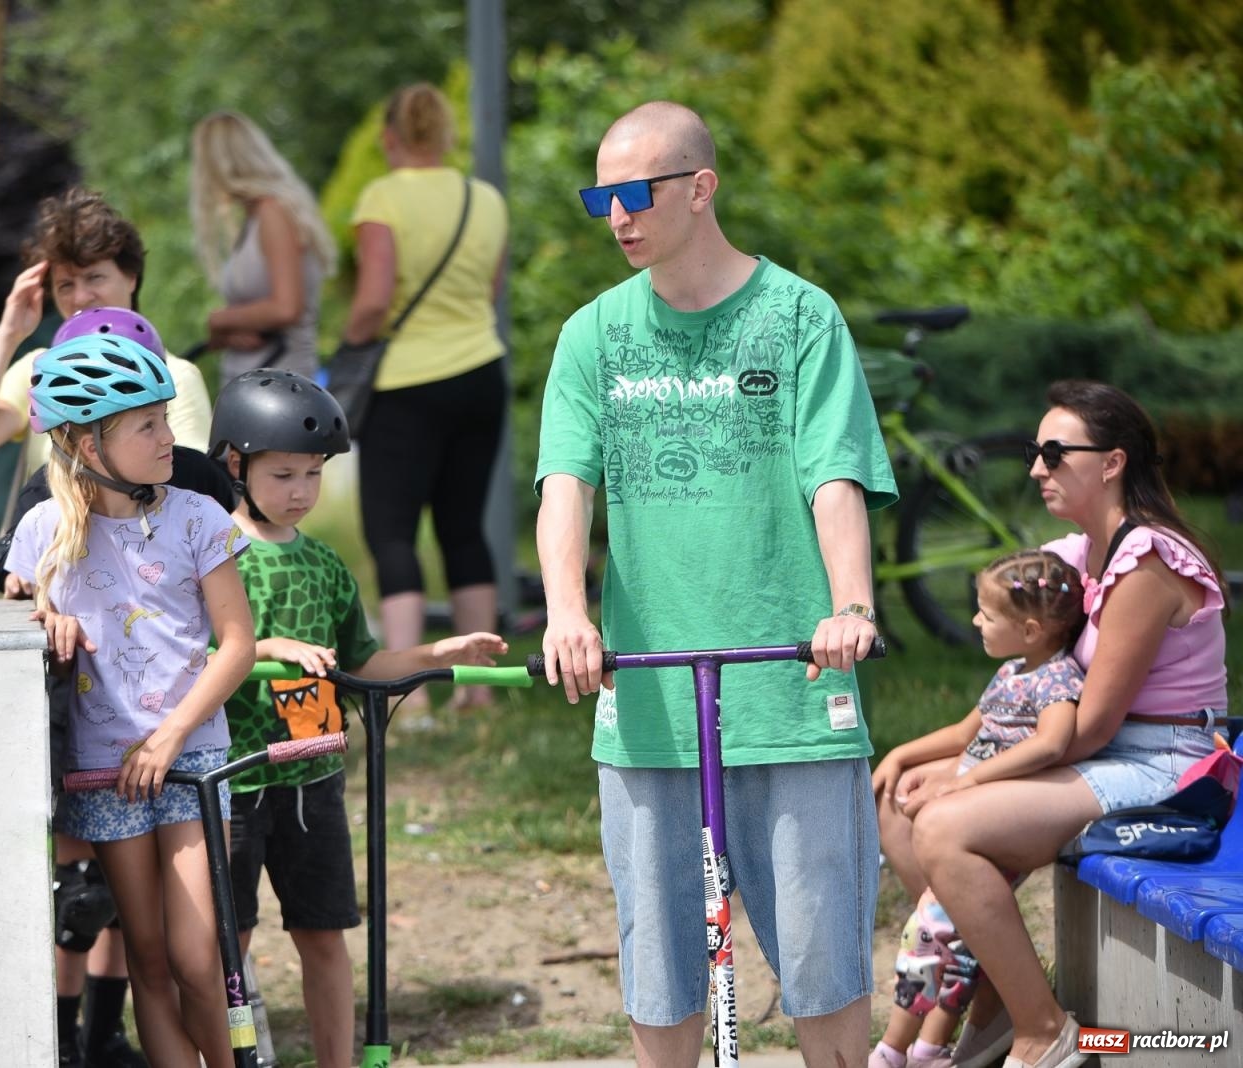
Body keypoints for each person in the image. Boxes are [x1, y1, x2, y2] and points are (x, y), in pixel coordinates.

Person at [534, 101, 897, 1068]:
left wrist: (849, 608)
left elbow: (834, 475)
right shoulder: (593, 336)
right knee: (658, 963)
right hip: (649, 699)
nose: (615, 216)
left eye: (634, 193)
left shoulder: (799, 317)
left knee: (825, 965)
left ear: (701, 189)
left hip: (791, 684)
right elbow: (565, 486)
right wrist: (567, 613)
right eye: (598, 196)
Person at [909, 380, 1229, 1068]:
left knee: (942, 822)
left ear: (1111, 463)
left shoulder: (1146, 562)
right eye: (1035, 452)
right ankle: (993, 996)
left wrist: (969, 780)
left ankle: (1041, 1029)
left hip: (1162, 763)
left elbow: (1088, 728)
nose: (1035, 469)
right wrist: (946, 766)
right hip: (1104, 751)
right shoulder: (1084, 553)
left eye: (1054, 453)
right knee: (901, 798)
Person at [208, 368, 506, 1068]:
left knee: (324, 934)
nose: (302, 492)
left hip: (314, 779)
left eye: (313, 475)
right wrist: (268, 648)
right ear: (235, 465)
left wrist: (439, 650)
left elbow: (363, 663)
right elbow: (196, 659)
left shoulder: (326, 565)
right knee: (231, 938)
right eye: (283, 475)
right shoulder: (211, 554)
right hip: (236, 782)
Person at [5, 333, 255, 1068]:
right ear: (87, 442)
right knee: (145, 959)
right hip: (103, 770)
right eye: (147, 425)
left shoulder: (198, 518)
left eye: (165, 418)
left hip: (190, 757)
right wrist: (43, 620)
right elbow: (10, 624)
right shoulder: (43, 533)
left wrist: (171, 736)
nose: (168, 437)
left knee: (196, 958)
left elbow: (236, 645)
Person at [870, 550, 1087, 1068]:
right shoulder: (1014, 671)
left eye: (987, 615)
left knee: (929, 934)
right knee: (946, 932)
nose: (974, 622)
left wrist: (964, 780)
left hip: (992, 818)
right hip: (969, 804)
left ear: (1031, 630)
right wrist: (901, 754)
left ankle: (897, 1050)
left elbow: (1051, 745)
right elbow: (967, 733)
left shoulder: (1057, 681)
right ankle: (926, 1047)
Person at [341, 82, 510, 710]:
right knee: (464, 527)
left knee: (393, 533)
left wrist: (350, 340)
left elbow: (375, 300)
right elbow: (488, 293)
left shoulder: (382, 196)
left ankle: (406, 698)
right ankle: (480, 691)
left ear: (390, 138)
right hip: (479, 372)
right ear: (446, 135)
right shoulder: (484, 199)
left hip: (406, 383)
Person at [0, 187, 211, 475]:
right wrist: (7, 334)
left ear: (131, 278)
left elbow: (190, 483)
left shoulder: (175, 376)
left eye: (94, 277)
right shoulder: (40, 370)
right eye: (65, 285)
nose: (80, 297)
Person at [190, 110, 335, 385]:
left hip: (281, 383)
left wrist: (220, 319)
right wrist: (233, 330)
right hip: (256, 380)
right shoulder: (255, 218)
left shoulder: (274, 213)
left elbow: (286, 308)